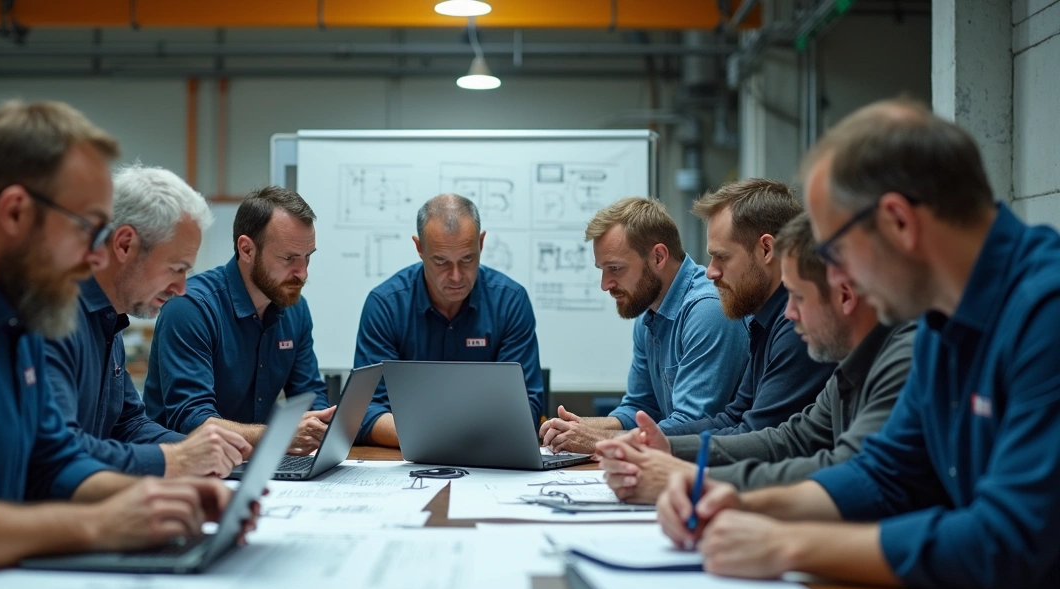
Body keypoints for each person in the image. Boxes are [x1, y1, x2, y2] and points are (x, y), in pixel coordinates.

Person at [657, 99, 1060, 589]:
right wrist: (740, 500)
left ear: (898, 222)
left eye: (837, 250)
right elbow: (884, 473)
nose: (839, 277)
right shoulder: (941, 319)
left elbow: (1005, 538)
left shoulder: (1044, 314)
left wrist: (790, 544)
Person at [0, 101, 255, 589]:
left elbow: (51, 460)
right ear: (16, 211)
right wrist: (96, 525)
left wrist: (165, 494)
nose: (96, 256)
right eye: (87, 229)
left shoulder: (14, 312)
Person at [597, 212, 914, 500]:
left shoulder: (903, 360)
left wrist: (695, 480)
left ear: (845, 295)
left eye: (798, 297)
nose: (789, 313)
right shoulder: (850, 358)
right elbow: (792, 438)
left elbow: (851, 475)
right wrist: (669, 447)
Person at [45, 164, 253, 478]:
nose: (181, 288)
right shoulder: (54, 318)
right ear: (124, 244)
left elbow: (128, 424)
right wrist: (176, 459)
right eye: (176, 268)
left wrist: (207, 451)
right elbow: (61, 447)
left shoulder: (109, 319)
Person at [538, 196, 748, 454]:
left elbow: (691, 425)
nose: (605, 284)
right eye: (602, 269)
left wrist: (598, 439)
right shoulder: (648, 313)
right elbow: (640, 407)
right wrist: (581, 427)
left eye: (615, 268)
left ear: (658, 257)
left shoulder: (707, 310)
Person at [143, 186, 333, 456]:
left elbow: (309, 396)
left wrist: (322, 425)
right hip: (186, 466)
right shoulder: (189, 309)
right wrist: (278, 435)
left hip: (257, 462)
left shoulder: (295, 309)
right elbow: (192, 421)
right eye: (289, 258)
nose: (302, 273)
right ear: (247, 249)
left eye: (307, 257)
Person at [354, 193, 542, 447]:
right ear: (419, 248)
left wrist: (437, 435)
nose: (456, 276)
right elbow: (365, 410)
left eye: (467, 259)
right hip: (409, 457)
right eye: (441, 262)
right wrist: (440, 438)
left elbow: (525, 409)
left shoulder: (509, 302)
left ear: (481, 243)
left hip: (487, 459)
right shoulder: (386, 305)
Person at [654, 179, 834, 438]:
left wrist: (655, 445)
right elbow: (733, 417)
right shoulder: (764, 320)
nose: (710, 272)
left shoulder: (796, 325)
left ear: (766, 249)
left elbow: (757, 434)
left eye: (722, 257)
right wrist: (645, 441)